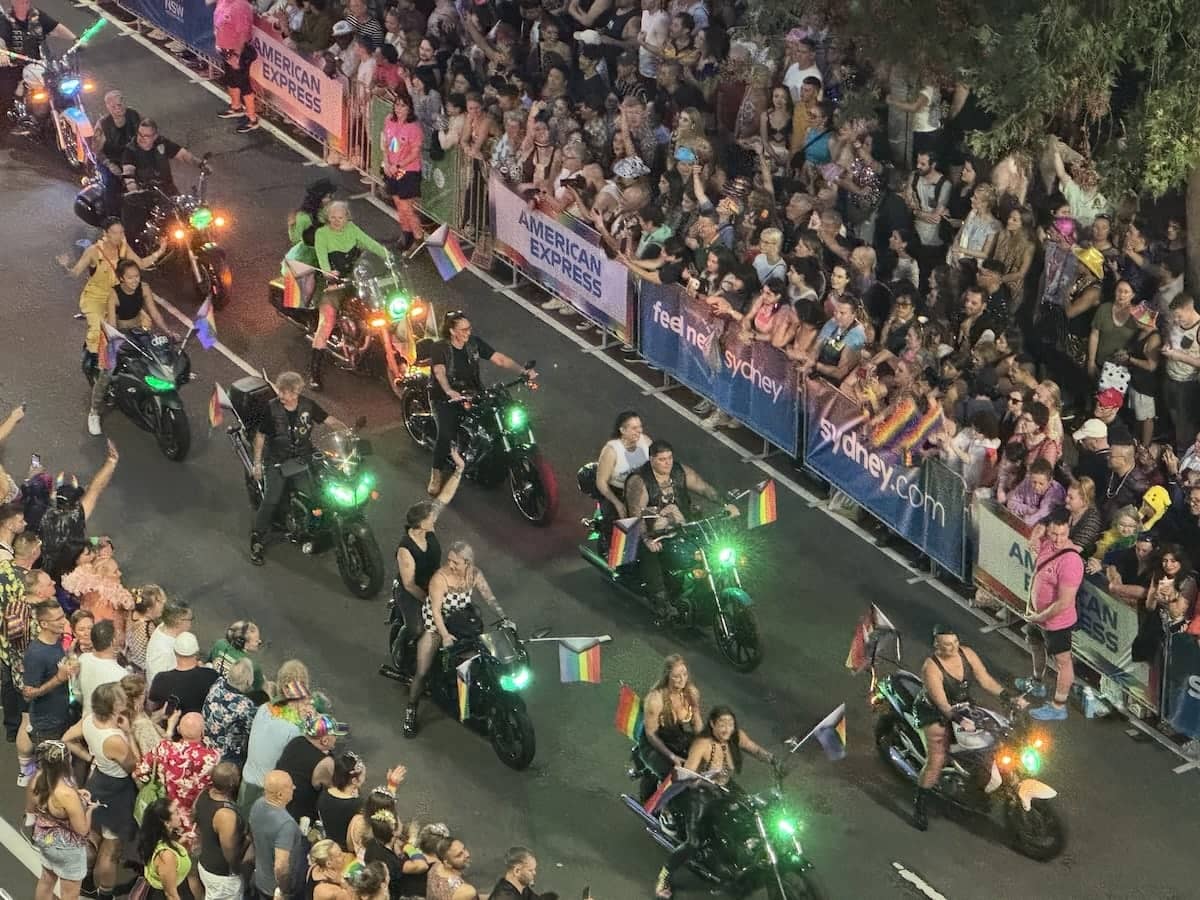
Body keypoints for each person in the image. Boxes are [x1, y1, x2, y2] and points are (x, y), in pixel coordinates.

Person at [909, 624, 1026, 831]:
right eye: (947, 644)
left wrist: (1008, 697)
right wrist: (959, 719)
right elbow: (942, 703)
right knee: (937, 759)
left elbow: (985, 679)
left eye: (955, 642)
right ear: (936, 645)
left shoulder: (967, 654)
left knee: (997, 735)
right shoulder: (931, 668)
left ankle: (978, 780)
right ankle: (920, 804)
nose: (953, 647)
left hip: (963, 706)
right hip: (934, 712)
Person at [653, 706, 774, 899]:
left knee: (753, 814)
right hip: (700, 792)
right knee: (693, 842)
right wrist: (705, 780)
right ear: (712, 725)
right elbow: (689, 775)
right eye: (721, 724)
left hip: (725, 788)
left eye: (730, 723)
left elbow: (755, 750)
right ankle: (665, 875)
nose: (726, 729)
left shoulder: (735, 736)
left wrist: (774, 761)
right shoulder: (702, 744)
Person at [622, 440, 741, 618]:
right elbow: (636, 514)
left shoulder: (679, 472)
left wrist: (725, 504)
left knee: (711, 542)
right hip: (653, 531)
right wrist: (647, 538)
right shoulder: (640, 481)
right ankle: (661, 601)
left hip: (681, 525)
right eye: (662, 459)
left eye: (669, 458)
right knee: (651, 554)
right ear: (652, 459)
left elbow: (704, 488)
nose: (667, 463)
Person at [426, 311, 537, 496]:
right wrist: (448, 391)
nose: (468, 332)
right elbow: (439, 372)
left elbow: (499, 359)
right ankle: (436, 473)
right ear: (452, 331)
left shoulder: (473, 343)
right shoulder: (440, 348)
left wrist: (522, 372)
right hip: (444, 397)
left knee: (499, 413)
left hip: (472, 391)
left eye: (469, 328)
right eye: (464, 329)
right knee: (445, 434)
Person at [404, 541, 507, 737]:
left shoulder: (474, 575)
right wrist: (444, 635)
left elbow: (489, 597)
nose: (450, 565)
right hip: (436, 625)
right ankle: (411, 709)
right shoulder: (440, 579)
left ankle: (469, 696)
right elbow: (435, 611)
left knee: (482, 657)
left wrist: (504, 617)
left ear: (467, 563)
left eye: (455, 562)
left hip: (461, 622)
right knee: (423, 671)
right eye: (449, 560)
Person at [249, 371, 346, 564]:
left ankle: (315, 525)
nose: (281, 396)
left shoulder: (308, 406)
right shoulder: (272, 409)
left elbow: (330, 421)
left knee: (318, 489)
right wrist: (258, 464)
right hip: (277, 459)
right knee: (271, 499)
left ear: (296, 393)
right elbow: (260, 437)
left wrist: (346, 432)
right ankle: (257, 537)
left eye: (286, 392)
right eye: (281, 391)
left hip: (303, 456)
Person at [58, 218, 165, 383]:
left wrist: (160, 250)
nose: (119, 236)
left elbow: (142, 264)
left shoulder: (123, 247)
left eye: (121, 232)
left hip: (117, 297)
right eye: (115, 233)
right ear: (105, 234)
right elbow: (75, 273)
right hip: (96, 299)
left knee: (145, 323)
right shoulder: (93, 251)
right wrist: (64, 267)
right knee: (98, 334)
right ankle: (98, 371)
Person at [62, 682, 136, 900]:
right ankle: (105, 894)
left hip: (97, 783)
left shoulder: (88, 721)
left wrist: (90, 757)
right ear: (114, 706)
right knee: (110, 850)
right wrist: (129, 733)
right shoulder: (114, 738)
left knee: (92, 836)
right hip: (117, 791)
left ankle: (84, 881)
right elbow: (133, 766)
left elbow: (66, 738)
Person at [85, 259, 174, 435]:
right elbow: (111, 323)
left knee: (157, 354)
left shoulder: (144, 288)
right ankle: (94, 412)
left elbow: (154, 312)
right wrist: (116, 341)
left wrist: (168, 331)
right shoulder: (114, 294)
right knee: (108, 372)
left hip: (138, 330)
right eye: (130, 277)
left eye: (137, 276)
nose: (135, 280)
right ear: (121, 279)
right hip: (115, 333)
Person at [310, 202, 392, 388]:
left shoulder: (352, 229)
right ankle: (314, 374)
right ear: (327, 218)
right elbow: (322, 257)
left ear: (347, 217)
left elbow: (371, 244)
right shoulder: (322, 234)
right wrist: (328, 273)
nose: (337, 221)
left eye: (340, 218)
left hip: (356, 279)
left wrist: (390, 257)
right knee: (327, 322)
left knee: (380, 306)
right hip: (333, 284)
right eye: (333, 217)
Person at [391, 447, 464, 657]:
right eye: (430, 519)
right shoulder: (406, 549)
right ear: (420, 525)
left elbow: (445, 497)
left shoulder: (427, 528)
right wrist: (431, 601)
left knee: (465, 615)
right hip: (413, 592)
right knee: (418, 629)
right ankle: (401, 649)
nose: (434, 520)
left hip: (435, 582)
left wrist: (459, 469)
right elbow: (410, 584)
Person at [1016, 517, 1082, 721]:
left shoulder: (1071, 561)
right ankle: (1037, 683)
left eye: (1063, 534)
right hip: (1037, 617)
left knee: (1063, 662)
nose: (1058, 538)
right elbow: (1039, 526)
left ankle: (1058, 706)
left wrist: (1039, 616)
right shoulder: (1046, 545)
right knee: (1035, 645)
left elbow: (1064, 602)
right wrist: (1034, 537)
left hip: (1056, 622)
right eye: (1054, 533)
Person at [28, 739, 96, 900]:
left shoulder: (37, 778)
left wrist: (77, 793)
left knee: (46, 880)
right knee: (69, 894)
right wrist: (89, 809)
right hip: (67, 849)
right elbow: (82, 830)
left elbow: (32, 808)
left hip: (45, 839)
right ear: (66, 761)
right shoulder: (66, 794)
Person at [638, 654, 702, 790]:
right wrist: (673, 757)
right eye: (676, 676)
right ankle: (665, 806)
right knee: (676, 776)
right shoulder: (655, 700)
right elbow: (651, 735)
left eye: (684, 674)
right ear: (667, 677)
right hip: (654, 744)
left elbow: (696, 722)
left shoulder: (691, 693)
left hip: (676, 737)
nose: (682, 679)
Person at [23, 600, 77, 745]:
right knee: (51, 767)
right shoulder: (35, 654)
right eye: (58, 619)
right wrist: (58, 679)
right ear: (44, 624)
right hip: (46, 726)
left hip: (62, 715)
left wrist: (68, 654)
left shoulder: (56, 641)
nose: (64, 621)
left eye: (63, 616)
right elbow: (28, 694)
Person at [276, 713, 346, 823]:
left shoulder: (297, 741)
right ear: (325, 741)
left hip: (278, 805)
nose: (336, 739)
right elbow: (335, 789)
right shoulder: (325, 763)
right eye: (335, 736)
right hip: (298, 817)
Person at [193, 761, 248, 900]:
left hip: (205, 863)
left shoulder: (204, 794)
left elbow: (195, 817)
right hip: (222, 875)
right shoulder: (225, 815)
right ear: (233, 784)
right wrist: (237, 870)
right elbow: (229, 851)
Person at [249, 770, 305, 900]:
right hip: (275, 889)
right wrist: (284, 891)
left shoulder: (258, 804)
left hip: (261, 878)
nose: (294, 788)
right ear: (280, 795)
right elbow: (280, 866)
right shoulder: (286, 825)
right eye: (291, 787)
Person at [382, 92, 427, 250]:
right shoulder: (389, 120)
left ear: (410, 109)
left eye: (403, 105)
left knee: (407, 207)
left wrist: (398, 165)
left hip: (408, 171)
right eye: (397, 104)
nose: (399, 108)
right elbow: (385, 143)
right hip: (391, 168)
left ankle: (418, 238)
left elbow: (415, 153)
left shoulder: (414, 128)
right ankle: (405, 234)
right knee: (398, 204)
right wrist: (386, 162)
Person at [208, 0, 260, 133]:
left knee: (243, 84)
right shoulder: (223, 1)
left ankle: (252, 119)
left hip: (237, 52)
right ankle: (236, 107)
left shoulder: (240, 6)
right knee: (231, 79)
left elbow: (243, 33)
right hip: (226, 50)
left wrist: (236, 55)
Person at [595, 411, 653, 520]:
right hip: (619, 493)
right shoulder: (611, 451)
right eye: (634, 428)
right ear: (622, 430)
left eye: (640, 427)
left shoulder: (645, 441)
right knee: (616, 524)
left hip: (644, 490)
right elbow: (601, 482)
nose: (639, 431)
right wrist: (617, 504)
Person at [137, 797, 199, 900]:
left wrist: (180, 843)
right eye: (175, 812)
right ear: (166, 822)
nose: (180, 815)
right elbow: (171, 895)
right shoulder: (166, 856)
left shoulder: (157, 840)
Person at [92, 91, 142, 217]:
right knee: (111, 184)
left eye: (119, 105)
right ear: (108, 107)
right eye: (113, 106)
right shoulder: (103, 125)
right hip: (111, 159)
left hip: (130, 157)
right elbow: (96, 150)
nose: (118, 108)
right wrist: (109, 164)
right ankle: (112, 219)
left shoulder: (133, 115)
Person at [149, 631, 218, 715]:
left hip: (171, 724)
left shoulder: (161, 679)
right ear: (197, 653)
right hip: (198, 723)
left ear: (174, 651)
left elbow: (152, 707)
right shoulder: (211, 675)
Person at [145, 597, 192, 688]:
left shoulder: (163, 626)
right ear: (179, 621)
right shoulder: (165, 651)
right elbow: (159, 682)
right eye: (190, 619)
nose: (191, 623)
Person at [426, 836, 482, 900]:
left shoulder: (435, 867)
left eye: (464, 848)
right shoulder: (467, 892)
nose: (467, 854)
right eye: (459, 855)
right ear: (447, 863)